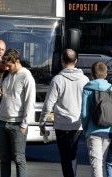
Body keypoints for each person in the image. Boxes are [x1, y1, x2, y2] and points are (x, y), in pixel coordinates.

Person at [39, 49, 89, 177]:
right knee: (73, 154)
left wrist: (42, 121)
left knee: (65, 156)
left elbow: (48, 103)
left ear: (62, 62)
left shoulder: (57, 80)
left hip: (61, 124)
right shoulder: (85, 80)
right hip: (78, 124)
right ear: (76, 61)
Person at [0, 49, 36, 177]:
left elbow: (30, 102)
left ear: (17, 61)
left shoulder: (26, 77)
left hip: (17, 123)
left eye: (9, 65)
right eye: (6, 65)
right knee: (4, 159)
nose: (7, 68)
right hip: (2, 121)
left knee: (19, 159)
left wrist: (25, 124)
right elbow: (2, 93)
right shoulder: (7, 75)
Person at [81, 61, 112, 177]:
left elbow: (84, 113)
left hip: (93, 131)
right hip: (108, 131)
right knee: (100, 162)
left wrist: (85, 129)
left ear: (92, 74)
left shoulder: (88, 89)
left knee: (96, 164)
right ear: (106, 74)